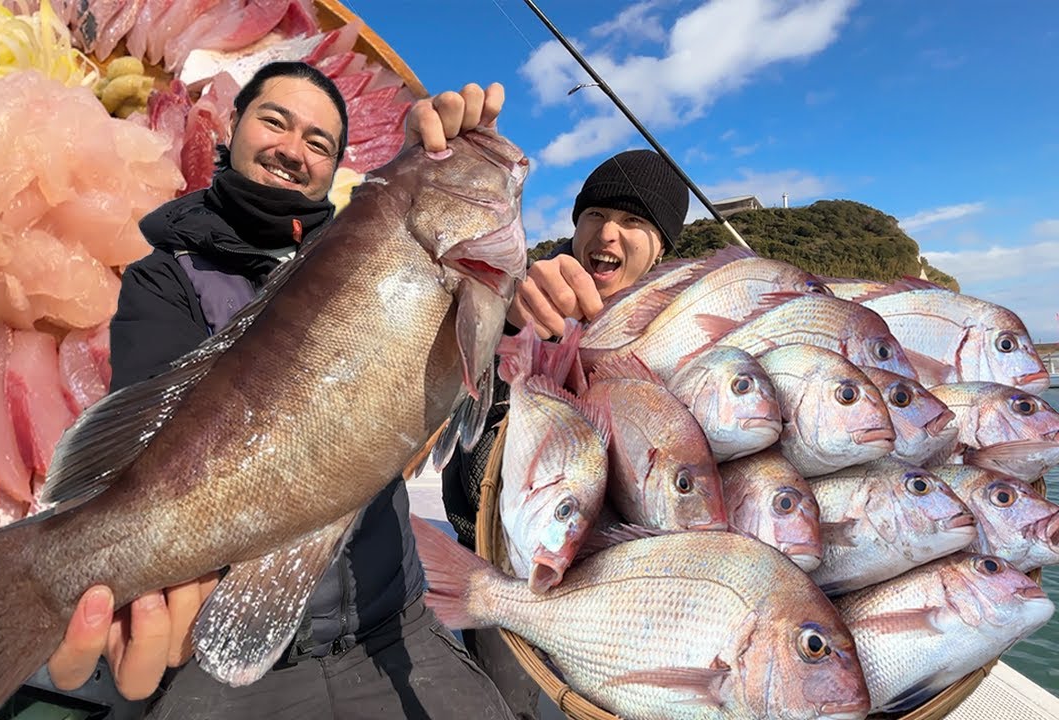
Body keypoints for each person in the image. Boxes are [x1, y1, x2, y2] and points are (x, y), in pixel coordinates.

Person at [39, 61, 515, 719]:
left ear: (334, 170)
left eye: (319, 142)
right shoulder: (163, 275)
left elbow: (455, 336)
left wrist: (422, 164)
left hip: (398, 628)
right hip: (214, 667)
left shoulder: (373, 236)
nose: (294, 149)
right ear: (230, 132)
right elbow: (146, 421)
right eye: (275, 121)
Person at [440, 148, 692, 720]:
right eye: (595, 214)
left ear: (661, 248)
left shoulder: (671, 327)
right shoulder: (521, 289)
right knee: (506, 707)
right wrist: (508, 318)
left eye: (634, 223)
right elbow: (448, 392)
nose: (608, 232)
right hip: (502, 557)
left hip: (623, 588)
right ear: (575, 224)